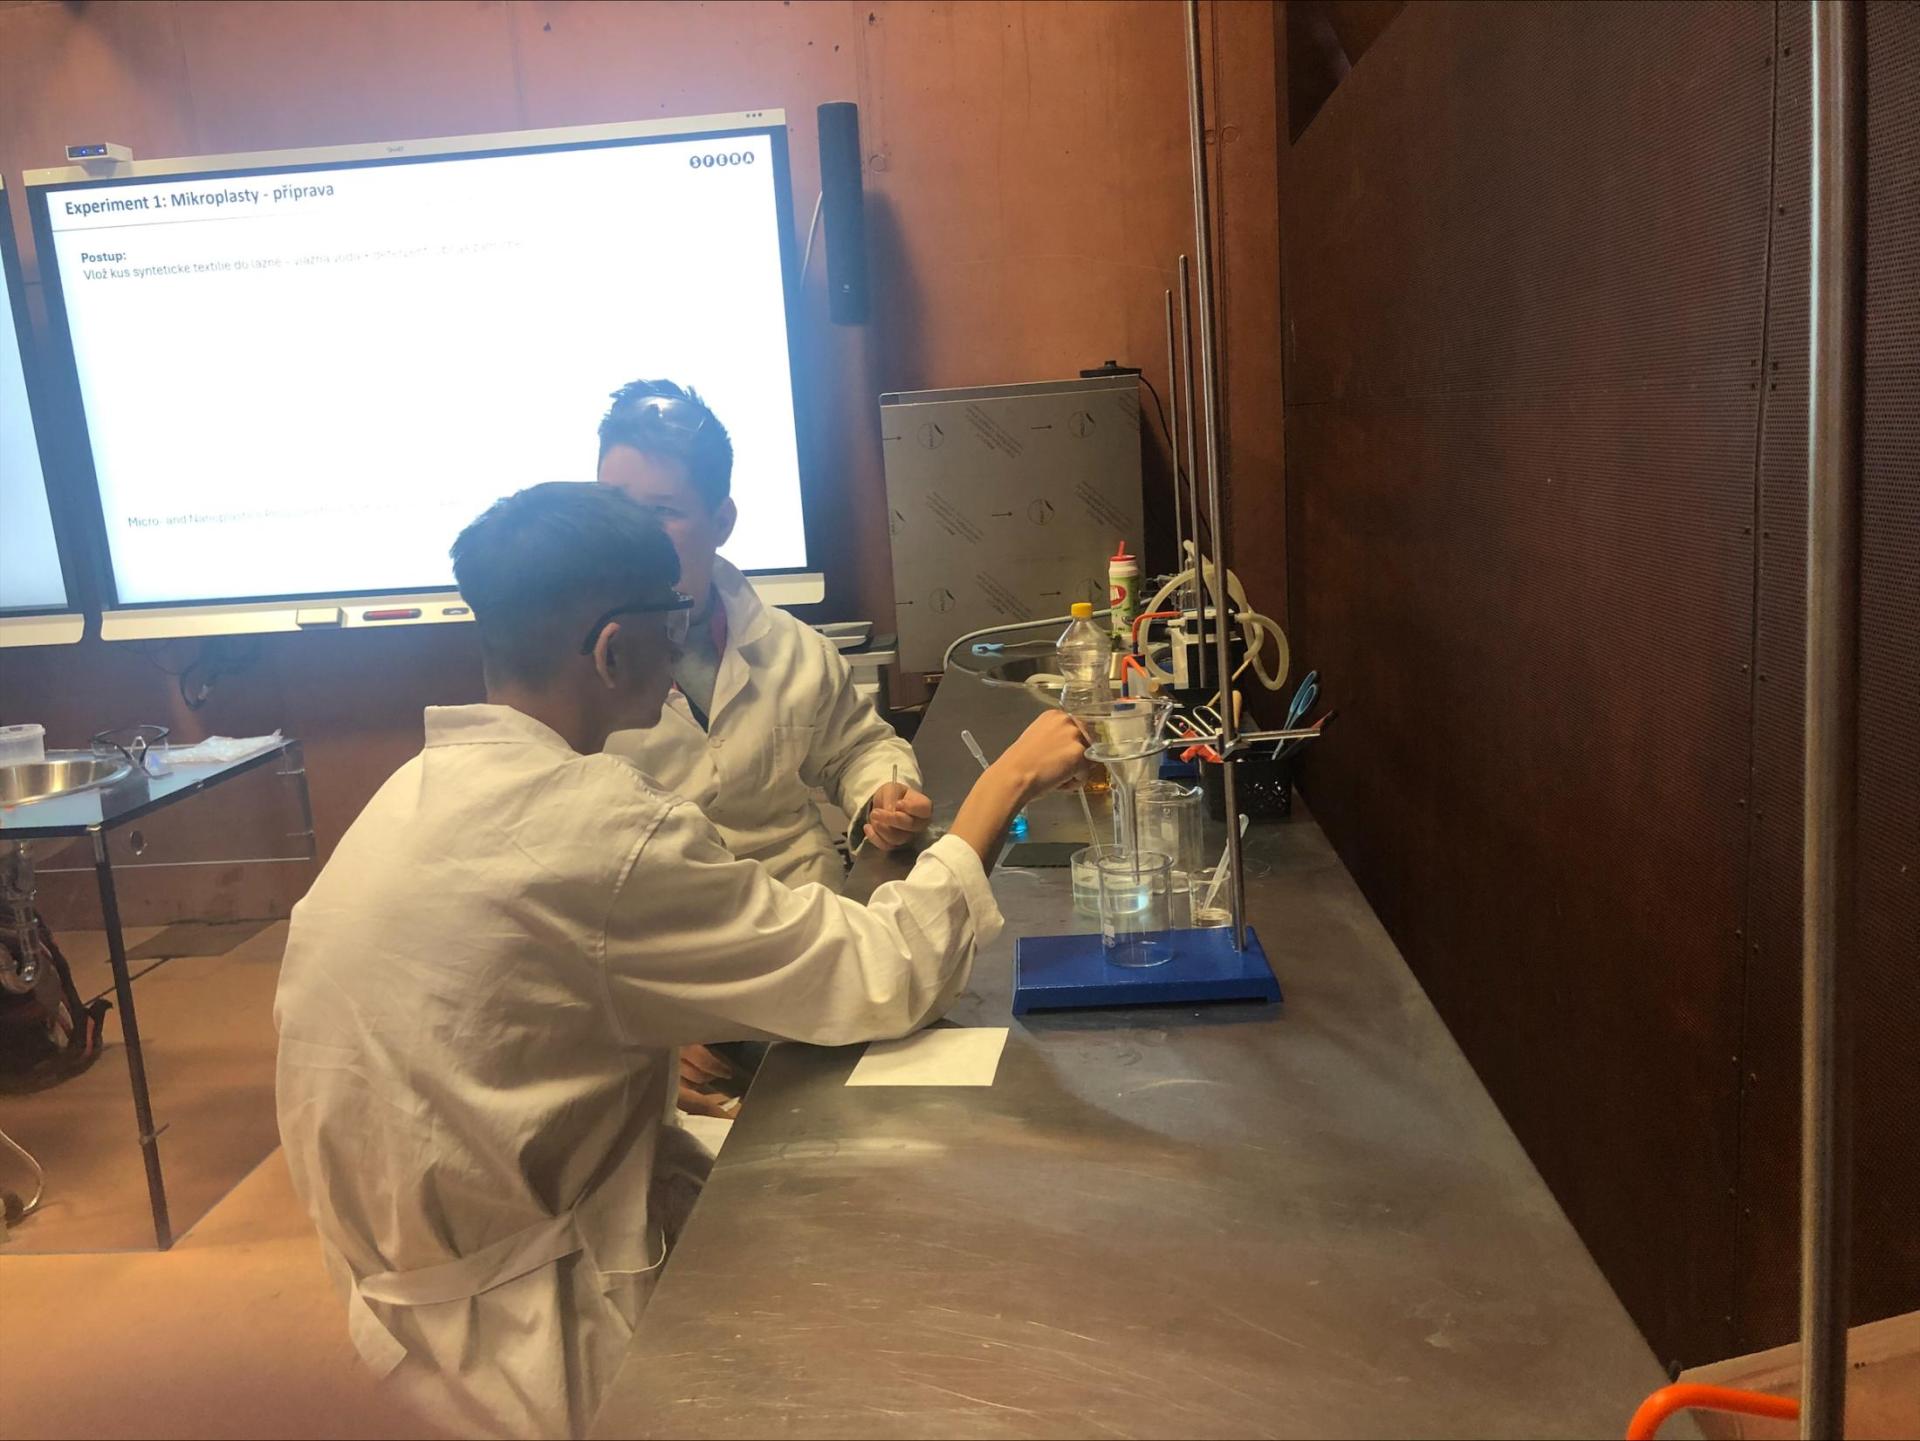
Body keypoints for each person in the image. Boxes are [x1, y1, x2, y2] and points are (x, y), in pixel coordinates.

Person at [274, 482, 1086, 1440]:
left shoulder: (411, 793)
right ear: (614, 650)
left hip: (426, 1294)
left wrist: (662, 1027)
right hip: (544, 1339)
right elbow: (882, 972)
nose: (685, 646)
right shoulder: (596, 824)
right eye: (673, 624)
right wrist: (1005, 782)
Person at [594, 379, 931, 890]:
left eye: (663, 511)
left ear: (721, 521)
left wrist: (885, 796)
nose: (631, 534)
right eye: (616, 509)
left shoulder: (793, 649)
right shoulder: (571, 665)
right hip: (656, 913)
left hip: (796, 902)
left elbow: (857, 749)